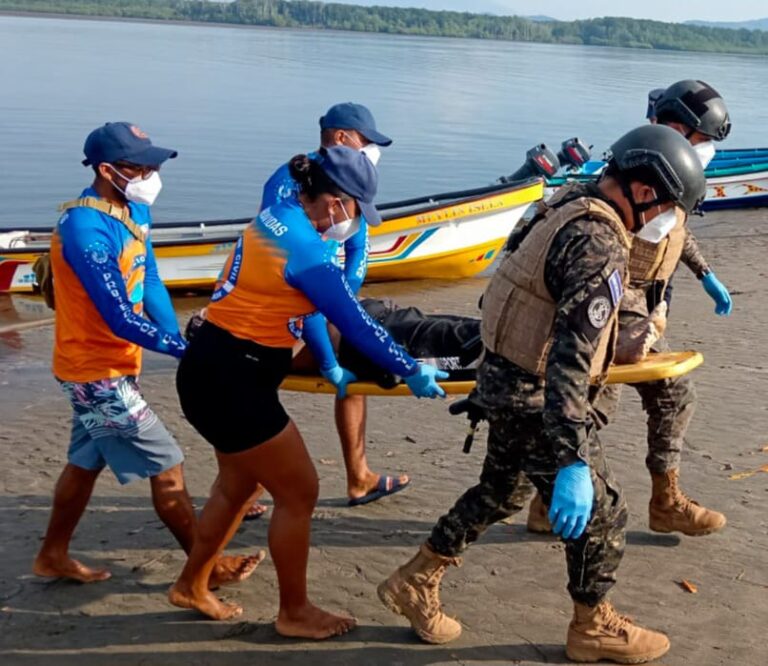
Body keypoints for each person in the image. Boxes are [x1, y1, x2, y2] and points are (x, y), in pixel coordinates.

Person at [378, 125, 706, 664]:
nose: (670, 219)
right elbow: (572, 358)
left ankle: (418, 577)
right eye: (670, 205)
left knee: (502, 491)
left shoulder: (572, 201)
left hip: (501, 375)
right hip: (535, 394)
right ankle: (593, 625)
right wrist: (574, 456)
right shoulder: (599, 244)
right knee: (603, 514)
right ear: (645, 192)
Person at [169, 146, 448, 636]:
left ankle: (192, 584)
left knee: (237, 486)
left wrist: (329, 365)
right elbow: (355, 323)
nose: (357, 222)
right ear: (337, 203)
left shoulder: (276, 216)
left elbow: (309, 311)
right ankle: (293, 612)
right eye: (359, 210)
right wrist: (410, 368)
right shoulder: (305, 248)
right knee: (300, 491)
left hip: (210, 370)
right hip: (234, 384)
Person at [33, 122, 262, 588]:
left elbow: (150, 279)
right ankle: (207, 568)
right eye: (140, 166)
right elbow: (118, 316)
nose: (151, 174)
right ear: (106, 170)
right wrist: (184, 351)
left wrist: (178, 340)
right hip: (94, 373)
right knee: (167, 463)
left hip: (114, 365)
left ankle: (51, 555)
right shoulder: (85, 229)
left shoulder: (132, 212)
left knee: (85, 461)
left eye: (152, 165)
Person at [528, 80, 732, 536]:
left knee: (652, 398)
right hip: (612, 301)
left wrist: (705, 274)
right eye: (706, 142)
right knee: (602, 403)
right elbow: (595, 255)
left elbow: (676, 229)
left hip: (643, 306)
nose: (710, 152)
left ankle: (662, 501)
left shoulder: (668, 167)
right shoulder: (637, 170)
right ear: (678, 128)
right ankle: (558, 498)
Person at [257, 102, 407, 508]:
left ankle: (358, 477)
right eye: (366, 141)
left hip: (325, 295)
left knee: (357, 347)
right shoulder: (286, 185)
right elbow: (281, 261)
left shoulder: (351, 177)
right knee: (259, 379)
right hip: (285, 309)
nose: (371, 150)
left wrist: (342, 296)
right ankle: (247, 484)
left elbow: (358, 245)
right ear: (340, 137)